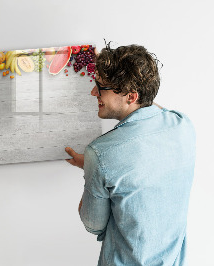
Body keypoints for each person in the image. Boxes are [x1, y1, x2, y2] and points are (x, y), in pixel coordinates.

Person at [65, 44, 196, 265]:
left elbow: (93, 225)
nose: (93, 92)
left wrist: (93, 169)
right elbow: (150, 108)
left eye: (101, 86)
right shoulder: (183, 125)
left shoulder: (100, 153)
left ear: (131, 96)